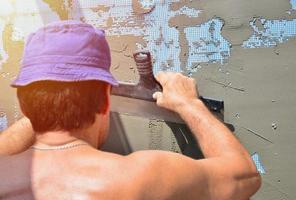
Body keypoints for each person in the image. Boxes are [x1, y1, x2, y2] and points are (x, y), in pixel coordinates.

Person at [0, 21, 261, 200]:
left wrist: (44, 104)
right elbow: (244, 176)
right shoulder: (138, 178)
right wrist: (189, 104)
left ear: (24, 104)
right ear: (105, 100)